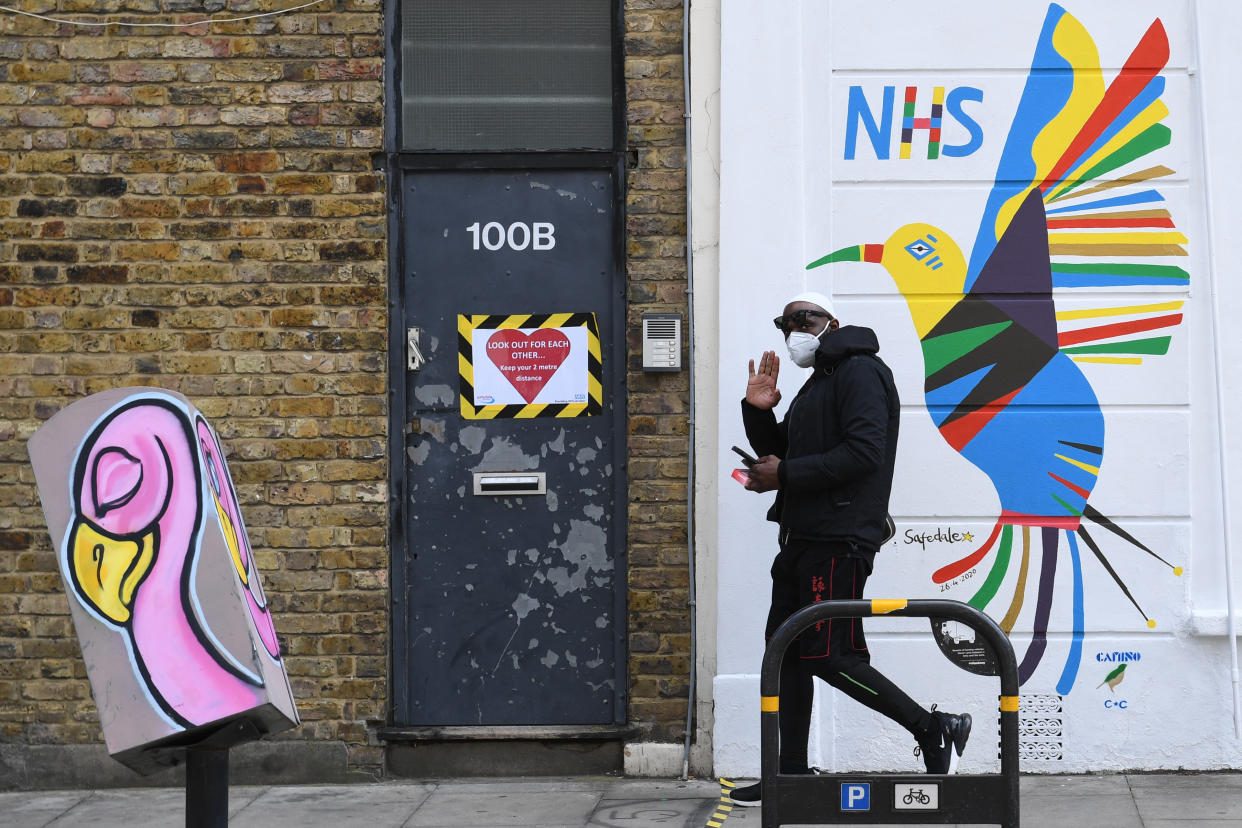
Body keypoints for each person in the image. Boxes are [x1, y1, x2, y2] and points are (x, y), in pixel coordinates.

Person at [729, 291, 971, 807]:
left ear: (831, 323)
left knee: (828, 655)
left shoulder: (861, 371)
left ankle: (932, 727)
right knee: (786, 656)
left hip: (839, 541)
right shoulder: (819, 383)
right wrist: (758, 412)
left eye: (803, 318)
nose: (793, 329)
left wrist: (786, 473)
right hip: (800, 538)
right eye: (784, 322)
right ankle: (789, 774)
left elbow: (864, 453)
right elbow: (788, 456)